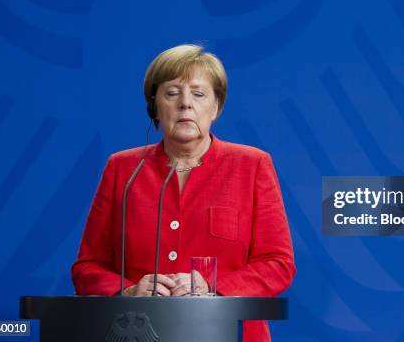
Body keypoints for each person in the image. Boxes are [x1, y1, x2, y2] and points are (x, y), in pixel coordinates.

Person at [71, 44, 296, 342]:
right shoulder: (123, 169)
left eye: (199, 94)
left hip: (231, 333)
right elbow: (87, 267)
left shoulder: (252, 165)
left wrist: (214, 287)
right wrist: (127, 290)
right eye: (172, 92)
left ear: (216, 107)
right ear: (155, 106)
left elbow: (278, 264)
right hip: (137, 333)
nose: (185, 104)